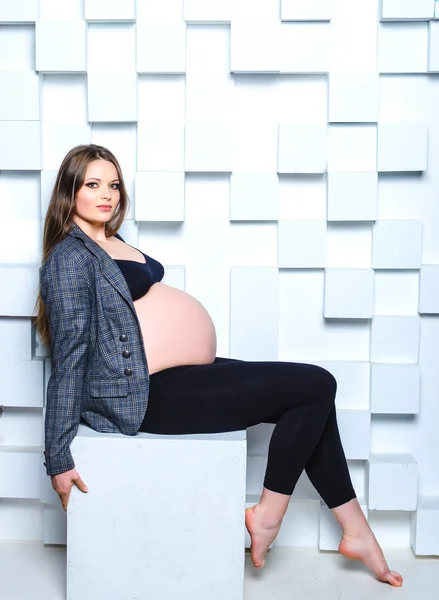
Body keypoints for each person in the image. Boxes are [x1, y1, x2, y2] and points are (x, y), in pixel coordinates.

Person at [37, 144, 403, 587]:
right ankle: (268, 517)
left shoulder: (108, 240)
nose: (107, 194)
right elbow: (70, 355)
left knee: (311, 396)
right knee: (315, 384)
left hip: (176, 376)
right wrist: (58, 457)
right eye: (93, 184)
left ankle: (355, 531)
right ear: (69, 190)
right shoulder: (69, 258)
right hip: (144, 396)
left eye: (113, 184)